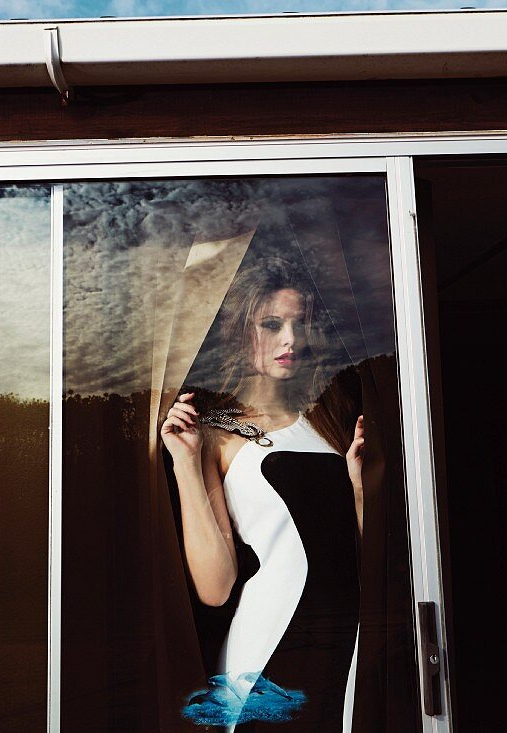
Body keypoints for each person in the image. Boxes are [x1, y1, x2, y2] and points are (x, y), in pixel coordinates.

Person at [161, 257, 366, 732]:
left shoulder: (331, 424)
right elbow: (215, 591)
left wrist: (357, 489)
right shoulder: (214, 435)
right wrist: (186, 465)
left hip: (349, 634)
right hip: (272, 641)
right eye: (272, 325)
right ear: (240, 332)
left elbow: (360, 552)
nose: (290, 340)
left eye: (299, 325)